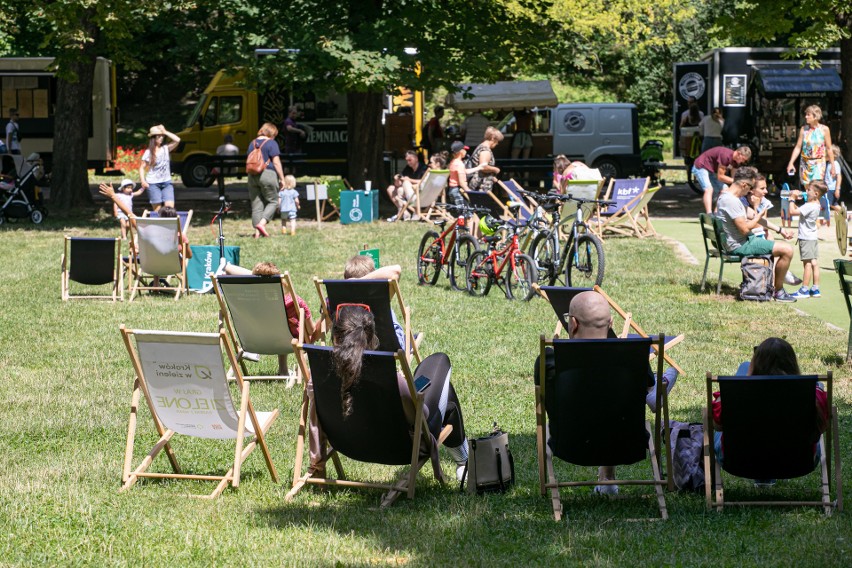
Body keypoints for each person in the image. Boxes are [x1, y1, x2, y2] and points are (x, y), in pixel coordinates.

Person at [533, 291, 678, 495]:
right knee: (610, 403)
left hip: (570, 445)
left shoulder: (549, 361)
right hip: (627, 444)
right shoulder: (633, 357)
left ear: (572, 323)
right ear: (610, 323)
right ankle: (607, 478)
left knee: (595, 402)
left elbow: (547, 402)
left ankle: (605, 479)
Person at [330, 304, 469, 480]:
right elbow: (420, 416)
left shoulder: (319, 375)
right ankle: (463, 461)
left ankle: (464, 462)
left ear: (335, 337)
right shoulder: (391, 380)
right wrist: (409, 391)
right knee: (440, 362)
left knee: (442, 391)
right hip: (401, 448)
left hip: (347, 444)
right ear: (372, 336)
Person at [711, 337, 828, 486]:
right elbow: (822, 427)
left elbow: (717, 426)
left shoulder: (736, 392)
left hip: (738, 461)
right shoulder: (814, 396)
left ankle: (762, 478)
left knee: (744, 367)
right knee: (817, 385)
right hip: (797, 462)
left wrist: (736, 390)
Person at [715, 166, 795, 302]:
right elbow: (745, 230)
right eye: (750, 187)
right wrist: (758, 216)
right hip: (740, 245)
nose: (750, 191)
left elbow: (754, 217)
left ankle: (776, 284)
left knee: (777, 243)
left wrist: (780, 230)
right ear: (744, 185)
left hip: (738, 241)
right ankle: (778, 291)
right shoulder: (732, 201)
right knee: (787, 250)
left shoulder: (727, 196)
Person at [216, 260, 319, 347]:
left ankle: (283, 367)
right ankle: (284, 367)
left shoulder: (246, 301)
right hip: (288, 342)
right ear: (281, 282)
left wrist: (255, 277)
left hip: (254, 342)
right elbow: (310, 331)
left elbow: (228, 268)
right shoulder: (294, 302)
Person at [98, 182, 192, 260]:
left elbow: (129, 213)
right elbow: (189, 256)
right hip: (173, 267)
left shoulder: (148, 230)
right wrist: (186, 245)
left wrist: (113, 196)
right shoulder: (179, 235)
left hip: (151, 267)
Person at [788, 180, 828, 299]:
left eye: (809, 190)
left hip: (806, 238)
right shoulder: (815, 204)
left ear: (816, 193)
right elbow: (799, 211)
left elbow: (792, 212)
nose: (806, 191)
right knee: (814, 263)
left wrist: (791, 199)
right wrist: (795, 201)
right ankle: (815, 289)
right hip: (812, 237)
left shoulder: (809, 206)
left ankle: (804, 290)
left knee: (807, 264)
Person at [247, 122, 286, 238]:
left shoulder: (252, 143)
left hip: (252, 175)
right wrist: (282, 178)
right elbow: (276, 162)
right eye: (274, 134)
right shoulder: (271, 143)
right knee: (273, 201)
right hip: (267, 174)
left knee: (256, 204)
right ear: (271, 133)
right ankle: (262, 224)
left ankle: (257, 234)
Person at [692, 145, 752, 214]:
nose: (743, 162)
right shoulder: (725, 156)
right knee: (708, 189)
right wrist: (737, 182)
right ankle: (709, 213)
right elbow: (720, 177)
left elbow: (734, 178)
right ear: (738, 153)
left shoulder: (736, 162)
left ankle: (717, 213)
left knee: (725, 189)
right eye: (743, 159)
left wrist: (738, 185)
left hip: (711, 170)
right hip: (701, 166)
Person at [787, 105, 835, 190]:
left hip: (818, 162)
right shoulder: (803, 129)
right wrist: (791, 162)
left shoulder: (824, 129)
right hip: (805, 163)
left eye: (808, 115)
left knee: (816, 187)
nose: (806, 117)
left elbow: (829, 148)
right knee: (807, 188)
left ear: (815, 116)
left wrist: (832, 166)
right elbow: (798, 147)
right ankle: (809, 202)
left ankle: (817, 203)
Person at [139, 124, 181, 212]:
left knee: (170, 209)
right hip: (153, 184)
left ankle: (169, 225)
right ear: (153, 138)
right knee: (157, 211)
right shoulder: (148, 152)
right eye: (159, 136)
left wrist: (165, 131)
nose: (161, 138)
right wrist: (143, 181)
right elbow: (142, 168)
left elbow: (177, 140)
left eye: (162, 136)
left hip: (166, 183)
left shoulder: (165, 148)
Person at [385, 150, 427, 222]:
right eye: (407, 160)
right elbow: (399, 183)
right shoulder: (408, 168)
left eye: (410, 160)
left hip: (419, 192)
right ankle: (404, 212)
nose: (408, 162)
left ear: (416, 158)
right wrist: (396, 180)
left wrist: (409, 180)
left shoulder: (423, 168)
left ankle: (407, 212)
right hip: (408, 192)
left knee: (401, 189)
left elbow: (424, 182)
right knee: (390, 188)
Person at [468, 126, 504, 193]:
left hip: (479, 182)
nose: (497, 144)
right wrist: (495, 169)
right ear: (493, 138)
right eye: (497, 141)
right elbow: (483, 167)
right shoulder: (485, 150)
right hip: (481, 185)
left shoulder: (480, 146)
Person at [823, 144, 843, 226]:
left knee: (830, 204)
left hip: (832, 188)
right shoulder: (829, 164)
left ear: (833, 155)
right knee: (831, 203)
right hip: (828, 188)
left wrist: (837, 189)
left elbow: (839, 177)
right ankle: (842, 215)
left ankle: (844, 213)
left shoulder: (835, 164)